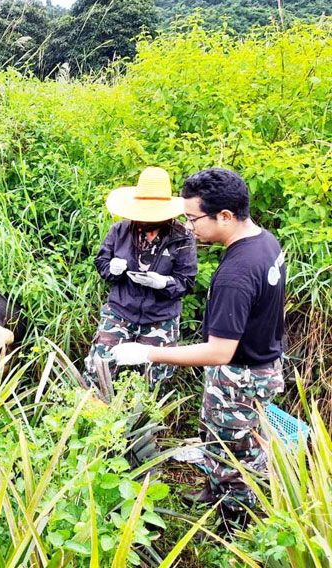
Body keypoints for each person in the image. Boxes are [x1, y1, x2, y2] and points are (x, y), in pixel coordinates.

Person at [113, 168, 286, 534]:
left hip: (240, 376)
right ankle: (213, 492)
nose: (189, 228)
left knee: (234, 453)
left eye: (193, 219)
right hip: (262, 362)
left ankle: (234, 526)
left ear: (224, 215)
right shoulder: (264, 242)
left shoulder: (236, 273)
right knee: (219, 439)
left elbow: (219, 352)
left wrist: (147, 353)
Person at [85, 166, 197, 391]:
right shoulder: (120, 231)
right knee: (99, 368)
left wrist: (164, 283)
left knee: (153, 381)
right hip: (120, 310)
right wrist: (112, 269)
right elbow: (101, 262)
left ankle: (140, 412)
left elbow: (186, 282)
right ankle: (94, 408)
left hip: (161, 317)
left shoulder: (182, 238)